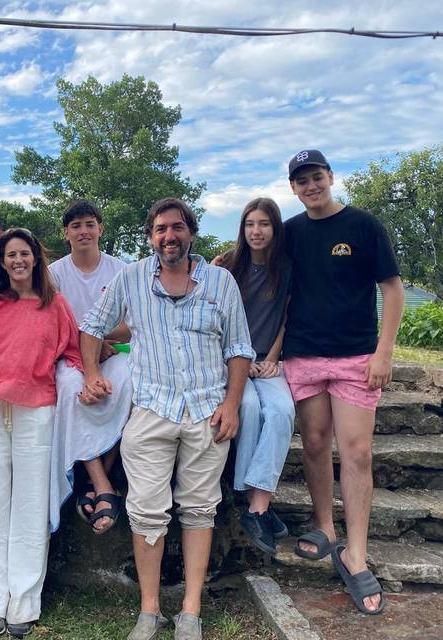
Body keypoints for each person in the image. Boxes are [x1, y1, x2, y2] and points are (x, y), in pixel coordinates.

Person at [80, 198, 254, 640]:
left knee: (199, 509)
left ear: (190, 231)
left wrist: (232, 404)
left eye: (176, 227)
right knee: (146, 513)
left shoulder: (220, 281)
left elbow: (238, 348)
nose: (168, 236)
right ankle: (150, 610)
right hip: (151, 411)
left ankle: (190, 611)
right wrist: (93, 371)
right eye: (160, 229)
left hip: (206, 410)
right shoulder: (132, 277)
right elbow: (92, 325)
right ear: (150, 235)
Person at [283, 149, 404, 615]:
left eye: (316, 177)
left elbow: (392, 290)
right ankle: (325, 528)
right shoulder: (290, 233)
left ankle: (356, 551)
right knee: (314, 443)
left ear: (330, 177)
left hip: (356, 354)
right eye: (301, 181)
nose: (310, 186)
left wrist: (384, 352)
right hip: (304, 354)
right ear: (293, 188)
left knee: (356, 451)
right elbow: (258, 263)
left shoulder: (363, 225)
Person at [0, 228, 83, 639]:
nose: (17, 261)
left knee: (30, 509)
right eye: (10, 254)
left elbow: (74, 355)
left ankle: (24, 604)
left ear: (35, 259)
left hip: (37, 413)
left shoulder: (56, 305)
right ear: (1, 261)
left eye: (23, 254)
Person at [214, 198, 295, 555]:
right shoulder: (228, 267)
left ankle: (256, 505)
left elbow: (284, 318)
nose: (256, 231)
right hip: (232, 362)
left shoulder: (287, 268)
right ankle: (255, 499)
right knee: (247, 408)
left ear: (275, 229)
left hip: (267, 363)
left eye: (264, 224)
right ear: (242, 229)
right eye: (250, 224)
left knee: (281, 411)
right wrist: (243, 362)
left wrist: (274, 357)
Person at [47, 200, 132, 534]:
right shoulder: (54, 274)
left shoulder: (121, 270)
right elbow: (53, 325)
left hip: (111, 354)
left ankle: (96, 479)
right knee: (69, 389)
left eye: (89, 224)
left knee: (126, 381)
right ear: (66, 233)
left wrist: (99, 343)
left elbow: (131, 323)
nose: (83, 231)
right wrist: (87, 351)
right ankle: (101, 483)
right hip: (71, 357)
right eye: (76, 225)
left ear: (101, 229)